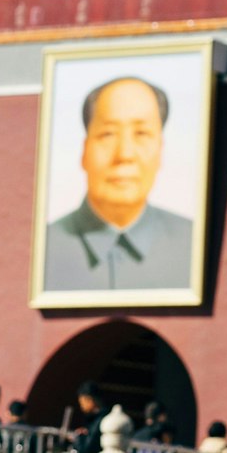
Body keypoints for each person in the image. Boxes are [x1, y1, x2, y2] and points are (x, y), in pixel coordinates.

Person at [43, 77, 195, 292]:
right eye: (108, 134)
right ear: (84, 151)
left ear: (160, 150)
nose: (124, 154)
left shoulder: (194, 247)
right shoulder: (42, 250)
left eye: (141, 134)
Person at [69, 382, 105, 453]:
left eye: (82, 402)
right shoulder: (95, 419)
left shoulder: (99, 420)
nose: (81, 406)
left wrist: (78, 437)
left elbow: (88, 449)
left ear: (89, 399)